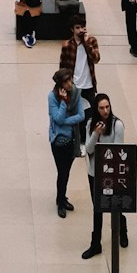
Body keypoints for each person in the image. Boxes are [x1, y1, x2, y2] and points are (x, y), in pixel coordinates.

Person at [82, 93, 128, 257]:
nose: (105, 110)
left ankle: (122, 229)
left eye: (107, 107)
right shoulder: (90, 124)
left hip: (111, 174)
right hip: (94, 173)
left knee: (115, 205)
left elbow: (117, 151)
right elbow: (88, 149)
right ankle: (96, 244)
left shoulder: (117, 126)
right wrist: (96, 134)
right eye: (101, 108)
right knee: (98, 208)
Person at [48, 69, 84, 218]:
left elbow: (81, 116)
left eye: (71, 80)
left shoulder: (76, 93)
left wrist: (65, 122)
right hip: (58, 141)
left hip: (72, 140)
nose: (70, 84)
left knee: (66, 172)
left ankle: (61, 197)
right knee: (62, 172)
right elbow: (56, 118)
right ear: (60, 84)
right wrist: (63, 102)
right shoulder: (52, 97)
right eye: (66, 82)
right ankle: (60, 201)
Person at [59, 16, 100, 141]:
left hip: (88, 85)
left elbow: (96, 59)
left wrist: (88, 45)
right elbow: (62, 67)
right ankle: (77, 139)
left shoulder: (91, 41)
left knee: (90, 115)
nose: (80, 30)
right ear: (72, 29)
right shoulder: (67, 45)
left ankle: (87, 139)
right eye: (77, 28)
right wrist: (62, 86)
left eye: (82, 27)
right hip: (74, 85)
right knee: (75, 114)